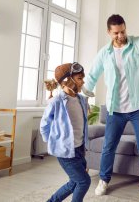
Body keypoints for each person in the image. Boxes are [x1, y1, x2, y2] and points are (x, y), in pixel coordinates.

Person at [83, 14, 139, 202]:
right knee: (108, 146)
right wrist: (83, 98)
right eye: (116, 33)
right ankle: (104, 180)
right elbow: (92, 76)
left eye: (123, 31)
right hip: (115, 109)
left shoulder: (138, 44)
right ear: (109, 32)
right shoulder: (104, 53)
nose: (121, 35)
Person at [40, 62, 91, 202]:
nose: (83, 82)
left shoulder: (81, 100)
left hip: (79, 149)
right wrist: (53, 142)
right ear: (67, 81)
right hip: (65, 151)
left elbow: (81, 124)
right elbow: (44, 125)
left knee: (74, 182)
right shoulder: (56, 102)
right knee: (83, 182)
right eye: (80, 78)